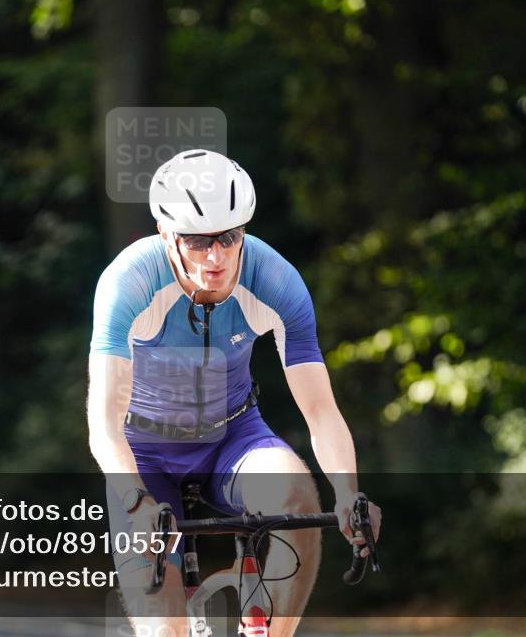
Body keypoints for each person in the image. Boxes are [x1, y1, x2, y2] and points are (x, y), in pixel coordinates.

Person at [87, 149, 381, 637]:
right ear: (166, 234)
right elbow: (104, 422)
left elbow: (320, 410)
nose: (217, 257)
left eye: (229, 237)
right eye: (198, 241)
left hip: (233, 438)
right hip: (145, 453)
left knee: (297, 495)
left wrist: (348, 492)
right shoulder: (130, 282)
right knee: (164, 629)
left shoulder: (274, 279)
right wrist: (135, 501)